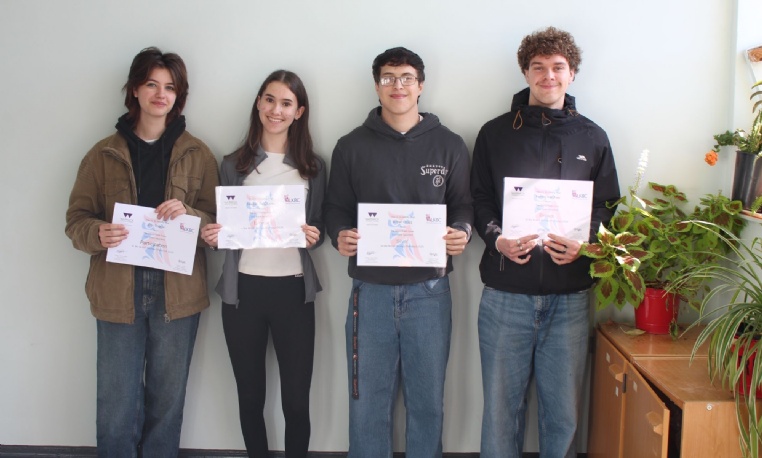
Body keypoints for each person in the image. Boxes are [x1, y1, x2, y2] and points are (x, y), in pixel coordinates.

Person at [470, 27, 620, 458]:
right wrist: (497, 240)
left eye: (558, 67)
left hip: (569, 295)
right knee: (501, 413)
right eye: (538, 67)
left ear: (572, 74)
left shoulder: (592, 137)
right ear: (525, 72)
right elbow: (479, 199)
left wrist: (584, 244)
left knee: (564, 414)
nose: (548, 76)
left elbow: (607, 204)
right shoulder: (494, 133)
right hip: (505, 294)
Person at [65, 47, 219, 457]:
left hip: (178, 292)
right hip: (118, 290)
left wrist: (190, 215)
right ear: (134, 89)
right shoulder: (103, 154)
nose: (160, 94)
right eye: (152, 84)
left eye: (170, 87)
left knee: (168, 401)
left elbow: (217, 226)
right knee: (116, 401)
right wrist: (98, 232)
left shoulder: (198, 154)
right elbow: (76, 220)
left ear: (179, 96)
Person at [324, 46, 473, 458]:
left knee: (427, 403)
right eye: (388, 78)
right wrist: (340, 234)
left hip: (430, 291)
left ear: (420, 85)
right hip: (369, 290)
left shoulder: (449, 145)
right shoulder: (351, 146)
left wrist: (462, 231)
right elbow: (335, 208)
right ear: (377, 87)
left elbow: (463, 206)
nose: (398, 85)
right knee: (367, 404)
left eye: (406, 77)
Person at [200, 70, 325, 458]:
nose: (276, 110)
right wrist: (213, 235)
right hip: (243, 293)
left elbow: (318, 225)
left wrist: (315, 235)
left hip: (293, 291)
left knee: (296, 403)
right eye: (270, 99)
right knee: (250, 398)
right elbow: (221, 226)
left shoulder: (313, 167)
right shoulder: (231, 165)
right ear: (258, 103)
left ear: (299, 112)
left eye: (287, 103)